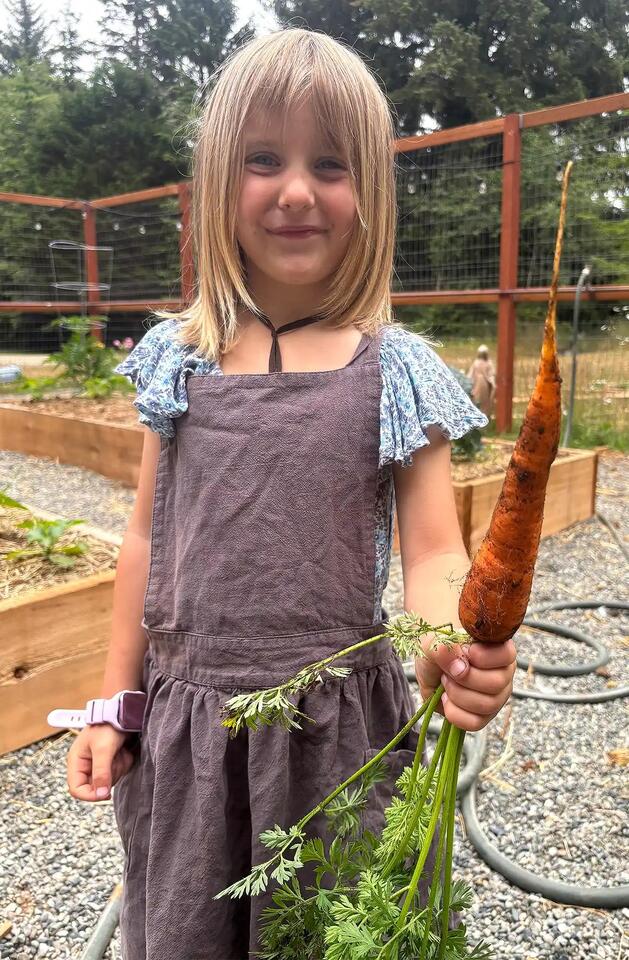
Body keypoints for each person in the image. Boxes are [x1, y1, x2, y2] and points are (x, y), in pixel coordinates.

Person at [65, 28, 517, 960]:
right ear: (221, 178)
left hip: (339, 733)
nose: (297, 190)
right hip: (192, 727)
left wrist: (445, 648)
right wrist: (115, 700)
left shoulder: (393, 368)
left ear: (371, 196)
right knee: (191, 925)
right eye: (263, 159)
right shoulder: (176, 360)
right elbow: (148, 542)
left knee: (348, 927)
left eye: (331, 164)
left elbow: (434, 551)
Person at [467, 343, 496, 417]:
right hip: (480, 383)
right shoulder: (480, 362)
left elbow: (470, 375)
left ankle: (483, 415)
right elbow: (471, 374)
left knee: (483, 400)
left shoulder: (486, 363)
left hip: (482, 383)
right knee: (478, 399)